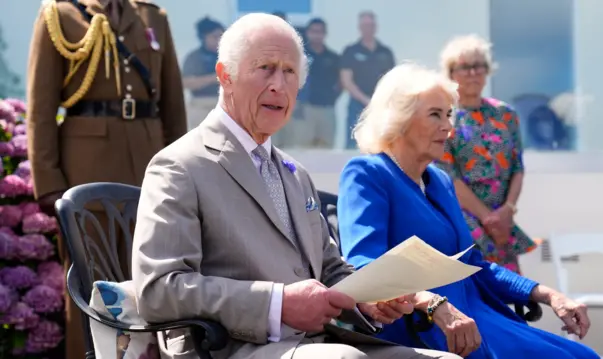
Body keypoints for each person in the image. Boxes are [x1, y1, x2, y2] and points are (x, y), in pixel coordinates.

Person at [131, 13, 459, 359]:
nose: (279, 85)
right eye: (265, 68)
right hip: (231, 348)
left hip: (319, 344)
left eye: (290, 72)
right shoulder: (180, 165)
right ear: (225, 75)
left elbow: (331, 269)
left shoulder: (294, 173)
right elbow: (158, 291)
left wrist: (369, 298)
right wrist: (277, 304)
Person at [337, 63, 600, 359]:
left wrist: (548, 294)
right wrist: (431, 303)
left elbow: (475, 265)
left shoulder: (440, 180)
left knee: (583, 356)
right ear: (400, 119)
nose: (448, 127)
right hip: (421, 327)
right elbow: (365, 267)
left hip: (475, 318)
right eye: (435, 114)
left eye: (449, 115)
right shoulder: (367, 173)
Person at [26, 1, 187, 359]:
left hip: (149, 164)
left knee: (153, 278)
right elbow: (39, 110)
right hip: (85, 169)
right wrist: (49, 182)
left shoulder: (151, 17)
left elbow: (174, 106)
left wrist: (185, 175)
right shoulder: (59, 15)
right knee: (88, 285)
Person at [435, 34, 537, 273]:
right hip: (466, 220)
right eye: (465, 67)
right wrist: (488, 219)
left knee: (511, 292)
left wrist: (507, 211)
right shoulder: (444, 116)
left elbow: (517, 168)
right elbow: (449, 176)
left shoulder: (506, 114)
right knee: (478, 286)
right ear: (451, 74)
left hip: (503, 220)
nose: (473, 73)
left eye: (478, 66)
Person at [340, 11, 395, 149]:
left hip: (381, 106)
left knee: (381, 143)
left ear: (375, 27)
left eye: (371, 25)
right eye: (365, 25)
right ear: (360, 27)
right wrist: (366, 100)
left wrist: (378, 101)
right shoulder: (350, 51)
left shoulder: (385, 52)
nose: (368, 28)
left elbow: (392, 79)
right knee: (353, 145)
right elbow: (346, 81)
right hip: (357, 106)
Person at [300, 18, 341, 148]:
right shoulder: (301, 56)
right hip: (306, 109)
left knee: (326, 149)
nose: (317, 34)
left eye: (320, 31)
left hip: (327, 109)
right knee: (303, 148)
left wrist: (332, 97)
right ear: (308, 33)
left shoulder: (333, 57)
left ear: (325, 34)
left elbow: (341, 82)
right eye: (314, 31)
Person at [182, 17, 225, 130]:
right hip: (200, 106)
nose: (218, 40)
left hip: (226, 106)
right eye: (214, 37)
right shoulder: (194, 57)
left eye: (221, 36)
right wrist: (214, 78)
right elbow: (186, 83)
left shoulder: (229, 55)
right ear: (203, 38)